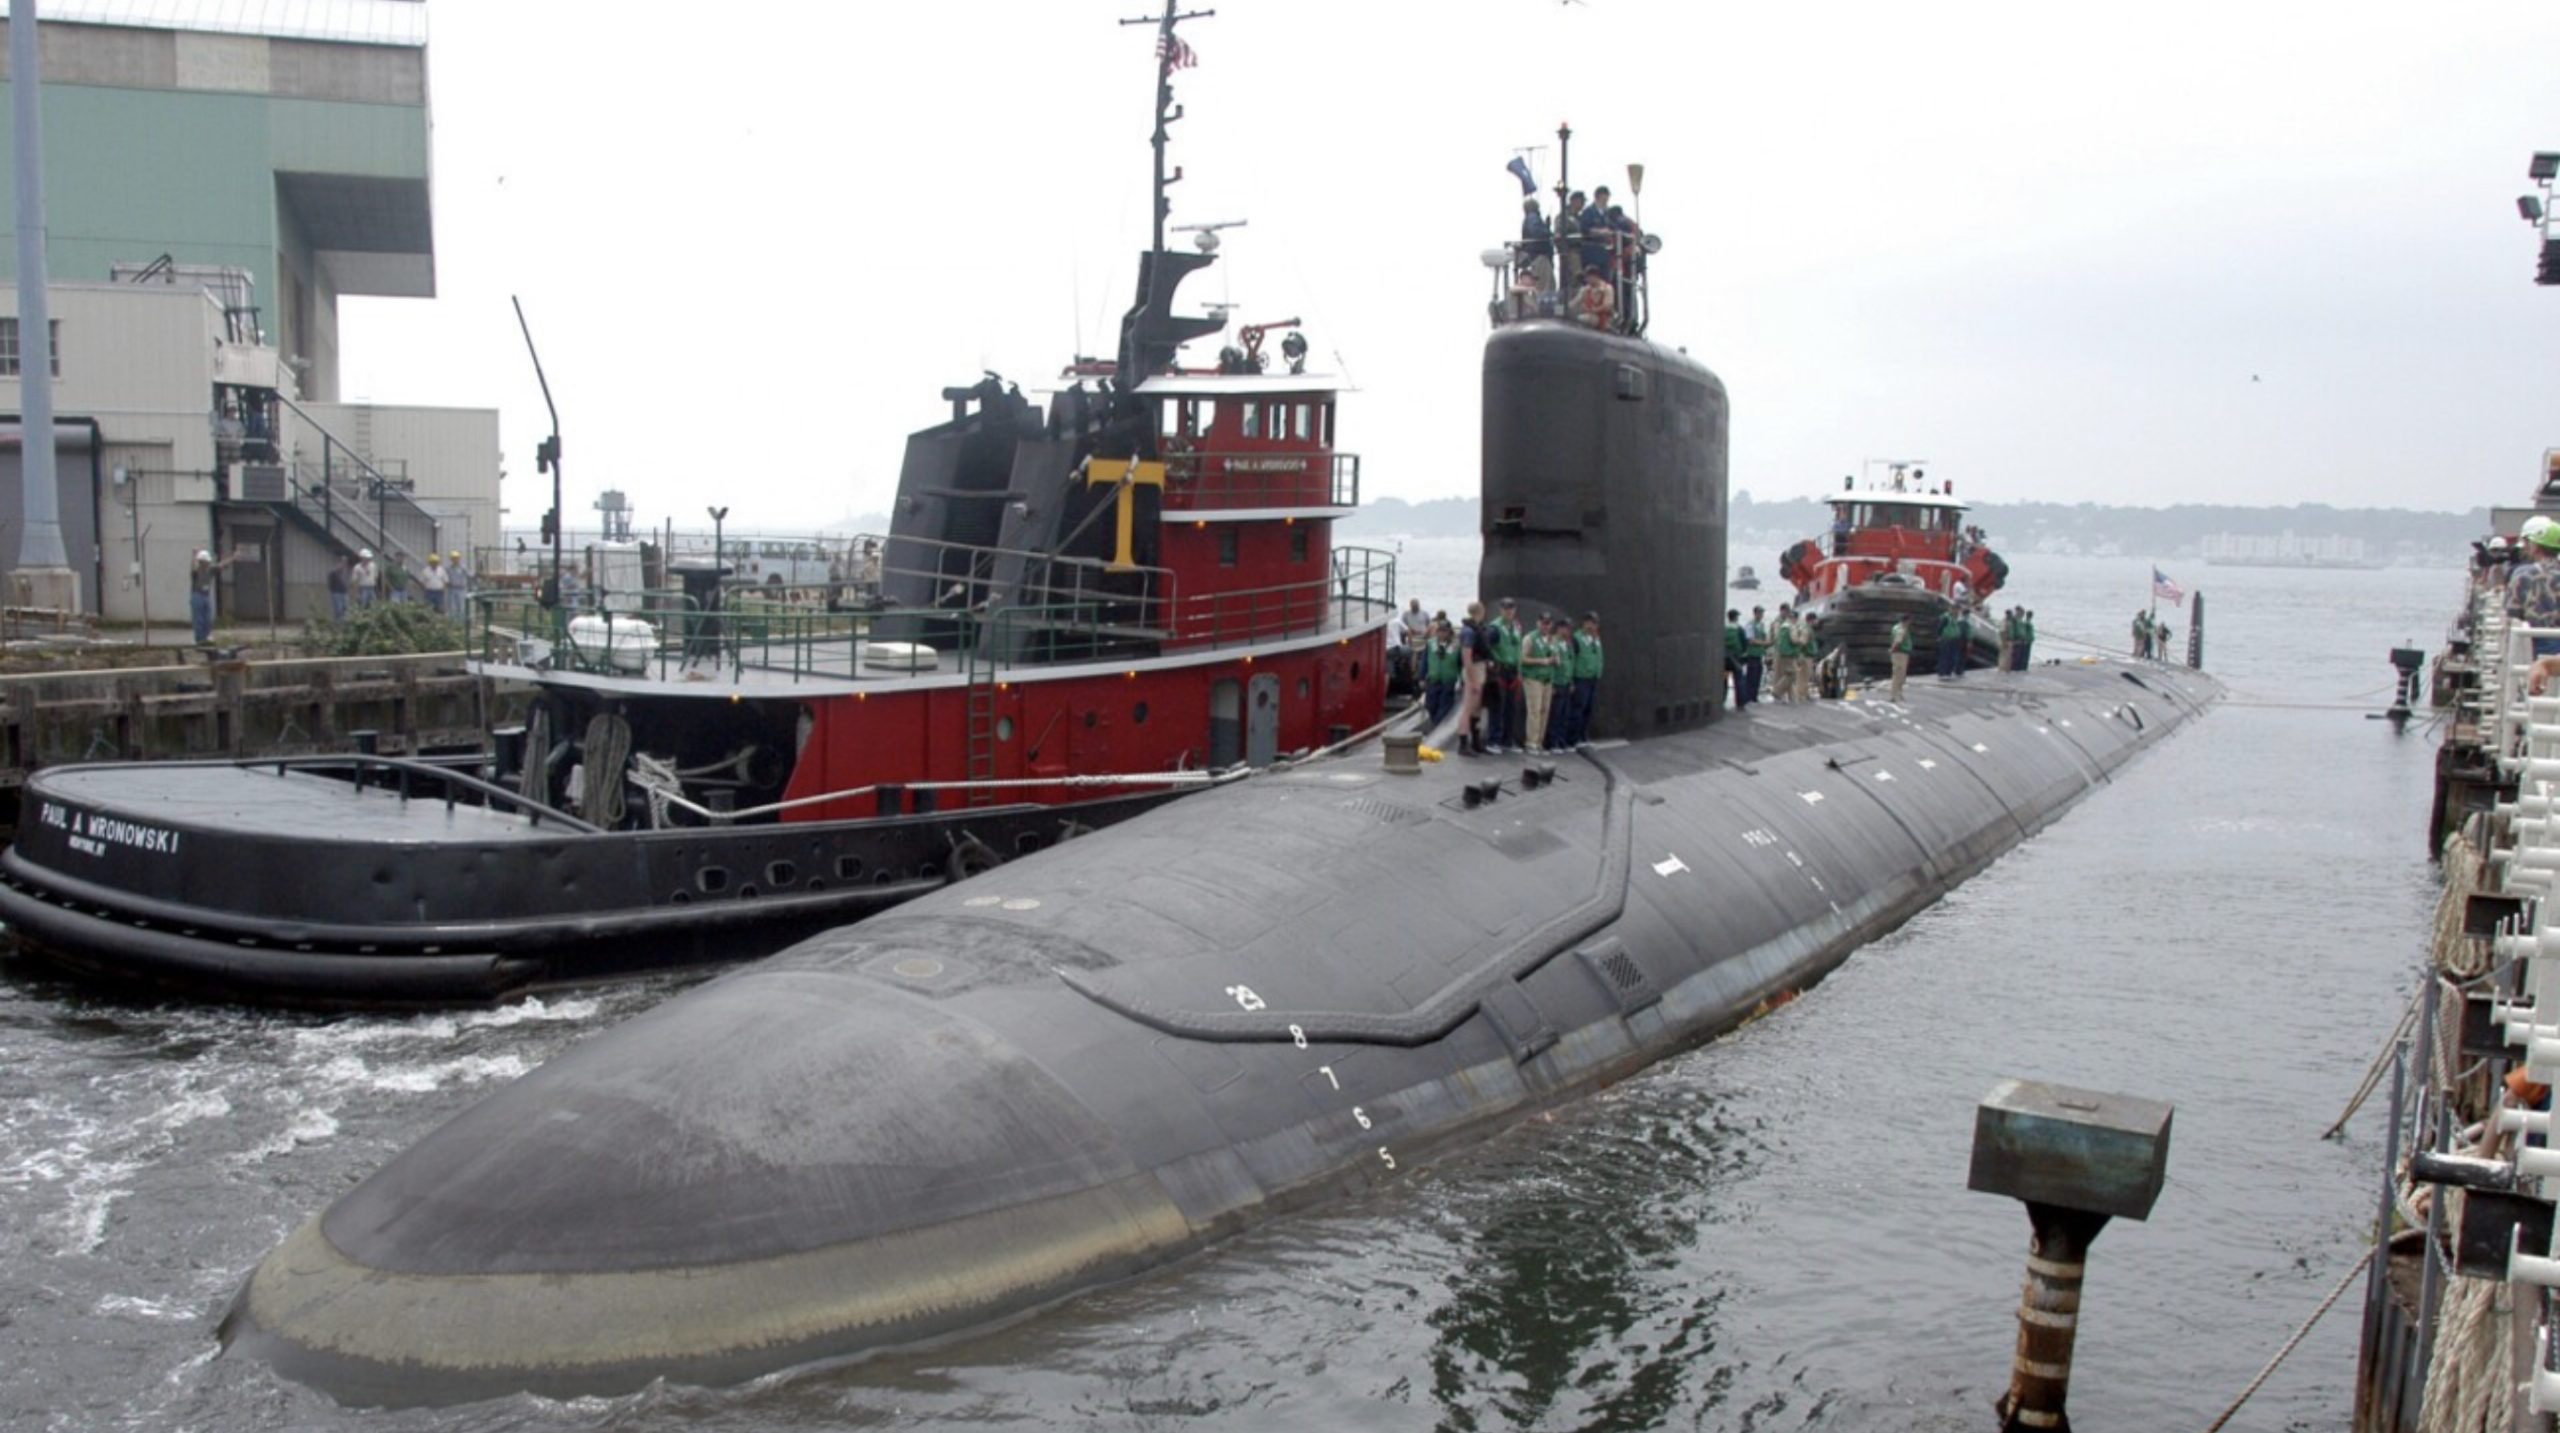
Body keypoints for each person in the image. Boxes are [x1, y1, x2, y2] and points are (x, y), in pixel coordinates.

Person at [2510, 519, 2560, 657]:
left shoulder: (2523, 574)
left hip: (2537, 648)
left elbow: (2513, 612)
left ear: (2535, 546)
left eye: (2527, 542)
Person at [1489, 597, 1527, 753]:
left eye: (1511, 608)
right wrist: (1494, 662)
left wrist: (1520, 671)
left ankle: (1508, 740)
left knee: (1511, 708)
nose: (1509, 611)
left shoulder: (1516, 626)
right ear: (1501, 610)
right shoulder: (1494, 628)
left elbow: (1518, 649)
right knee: (1497, 706)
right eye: (1506, 609)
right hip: (1500, 670)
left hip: (1513, 671)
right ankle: (1494, 740)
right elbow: (1487, 647)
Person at [1454, 601, 1492, 755]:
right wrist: (1473, 680)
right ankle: (1463, 743)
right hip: (1473, 669)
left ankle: (1475, 741)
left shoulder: (1477, 629)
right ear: (1481, 611)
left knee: (1477, 708)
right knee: (1468, 708)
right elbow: (1467, 658)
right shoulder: (1469, 632)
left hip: (1480, 667)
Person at [1520, 616, 1558, 752]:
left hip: (1547, 679)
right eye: (1543, 623)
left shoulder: (1553, 640)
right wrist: (1542, 661)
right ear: (1538, 623)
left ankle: (1539, 742)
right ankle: (1531, 742)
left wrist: (1556, 660)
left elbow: (1555, 657)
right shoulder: (1529, 638)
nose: (1545, 626)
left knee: (1544, 710)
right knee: (1534, 710)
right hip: (1533, 678)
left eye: (1548, 624)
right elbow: (1522, 658)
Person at [188, 546, 239, 645]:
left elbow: (222, 564)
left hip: (205, 596)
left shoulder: (210, 570)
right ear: (201, 562)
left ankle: (207, 636)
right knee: (198, 619)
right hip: (197, 595)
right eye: (204, 562)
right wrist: (194, 555)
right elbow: (192, 567)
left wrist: (233, 557)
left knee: (208, 618)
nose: (207, 564)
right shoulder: (196, 572)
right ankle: (199, 638)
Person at [1568, 611, 1602, 748]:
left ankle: (1583, 736)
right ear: (1583, 623)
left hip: (1592, 678)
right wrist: (1571, 680)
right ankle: (1573, 739)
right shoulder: (1576, 639)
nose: (1590, 626)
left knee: (1588, 708)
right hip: (1580, 678)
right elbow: (1571, 660)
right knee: (1578, 708)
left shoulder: (1596, 639)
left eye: (1593, 623)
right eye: (1588, 622)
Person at [1423, 619, 1461, 730]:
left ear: (1449, 632)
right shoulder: (1430, 644)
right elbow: (1425, 661)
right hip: (1433, 679)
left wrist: (1462, 679)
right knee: (1430, 705)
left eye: (1445, 631)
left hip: (1448, 681)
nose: (1442, 633)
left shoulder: (1456, 645)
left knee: (1445, 707)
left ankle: (1437, 726)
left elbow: (1460, 663)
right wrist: (1421, 676)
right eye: (1440, 630)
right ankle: (1435, 723)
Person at [1518, 197, 1555, 290]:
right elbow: (1536, 232)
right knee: (1545, 286)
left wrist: (1546, 226)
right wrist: (1549, 232)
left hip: (1534, 256)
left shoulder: (1529, 218)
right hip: (1540, 255)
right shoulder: (1533, 217)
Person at [1771, 603, 1802, 702]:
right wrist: (1800, 640)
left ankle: (1791, 696)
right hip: (1787, 653)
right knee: (1791, 674)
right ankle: (1777, 691)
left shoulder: (1783, 625)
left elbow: (1777, 637)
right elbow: (1793, 639)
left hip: (1782, 652)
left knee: (1784, 674)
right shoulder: (1789, 626)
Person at [1572, 266, 1616, 330]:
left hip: (1602, 318)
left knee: (1581, 319)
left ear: (1594, 276)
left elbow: (1608, 306)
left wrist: (1595, 310)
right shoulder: (1586, 289)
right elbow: (1576, 301)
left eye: (1588, 277)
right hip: (1589, 315)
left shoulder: (1607, 288)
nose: (1586, 280)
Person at [1741, 606, 1768, 706]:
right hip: (1752, 654)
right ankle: (1748, 698)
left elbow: (1763, 637)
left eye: (1762, 613)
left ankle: (1754, 697)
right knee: (1751, 677)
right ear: (1755, 613)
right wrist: (1763, 643)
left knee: (1757, 676)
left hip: (1759, 654)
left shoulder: (1761, 625)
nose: (1761, 615)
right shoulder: (1750, 625)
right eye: (1760, 613)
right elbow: (1750, 640)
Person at [1937, 605, 1969, 680]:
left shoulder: (1955, 618)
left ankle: (1948, 672)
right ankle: (1942, 673)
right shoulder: (1946, 617)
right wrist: (1941, 636)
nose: (1957, 612)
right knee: (1945, 657)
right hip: (1946, 639)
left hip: (1954, 639)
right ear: (1951, 609)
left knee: (1952, 657)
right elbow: (1940, 628)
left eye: (1958, 610)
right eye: (1955, 610)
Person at [1723, 609, 1747, 706]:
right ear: (1736, 617)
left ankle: (1722, 699)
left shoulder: (1724, 628)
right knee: (1739, 679)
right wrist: (1743, 653)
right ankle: (1740, 702)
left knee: (1723, 680)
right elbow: (1744, 643)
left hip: (1725, 658)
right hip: (1736, 658)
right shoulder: (1739, 629)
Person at [1888, 614, 1914, 701]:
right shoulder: (1902, 629)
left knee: (1898, 674)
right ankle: (1894, 695)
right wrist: (1892, 649)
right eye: (1909, 621)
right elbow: (1898, 641)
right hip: (1901, 653)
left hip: (1898, 654)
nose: (1910, 623)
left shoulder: (1895, 627)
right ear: (1906, 621)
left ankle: (1898, 693)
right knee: (1899, 675)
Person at [420, 551, 450, 615]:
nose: (434, 564)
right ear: (430, 562)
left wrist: (443, 588)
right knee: (428, 608)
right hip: (429, 592)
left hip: (439, 592)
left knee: (439, 608)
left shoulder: (441, 570)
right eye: (433, 562)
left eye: (436, 562)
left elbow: (446, 580)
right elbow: (422, 581)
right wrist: (425, 589)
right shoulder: (425, 570)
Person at [326, 552, 351, 622]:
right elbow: (330, 583)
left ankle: (344, 623)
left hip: (344, 593)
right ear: (339, 563)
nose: (344, 564)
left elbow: (346, 582)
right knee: (338, 610)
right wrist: (333, 591)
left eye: (345, 562)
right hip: (336, 593)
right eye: (343, 562)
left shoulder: (345, 572)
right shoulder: (333, 572)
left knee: (345, 609)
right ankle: (337, 624)